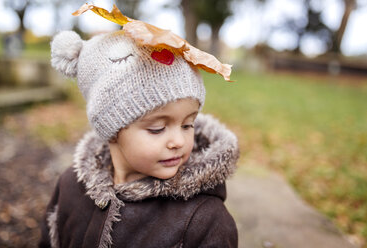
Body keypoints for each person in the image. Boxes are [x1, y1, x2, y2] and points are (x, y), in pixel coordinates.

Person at [39, 5, 239, 248]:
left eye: (188, 125)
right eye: (157, 128)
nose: (179, 141)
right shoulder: (71, 187)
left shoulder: (204, 221)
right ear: (111, 130)